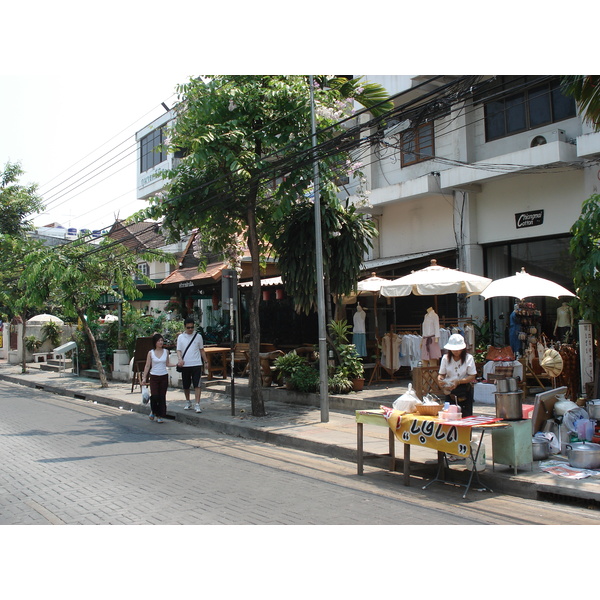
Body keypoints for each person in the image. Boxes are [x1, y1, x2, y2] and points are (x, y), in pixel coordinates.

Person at [437, 333, 477, 418]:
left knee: (465, 416)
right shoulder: (445, 358)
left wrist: (459, 382)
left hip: (464, 390)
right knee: (448, 414)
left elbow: (472, 375)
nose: (456, 351)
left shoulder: (468, 358)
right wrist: (440, 380)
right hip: (450, 390)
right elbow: (441, 374)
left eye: (458, 349)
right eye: (454, 349)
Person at [176, 317, 208, 413]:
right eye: (188, 327)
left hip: (196, 364)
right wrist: (180, 359)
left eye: (192, 327)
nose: (190, 329)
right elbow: (178, 350)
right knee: (186, 385)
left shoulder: (198, 336)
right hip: (185, 364)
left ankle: (197, 403)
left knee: (197, 385)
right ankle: (188, 401)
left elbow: (201, 350)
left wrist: (206, 361)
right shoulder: (181, 337)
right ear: (185, 327)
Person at [142, 333, 170, 424]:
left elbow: (167, 364)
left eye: (162, 340)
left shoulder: (166, 351)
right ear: (155, 342)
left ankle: (159, 415)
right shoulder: (151, 353)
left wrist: (177, 364)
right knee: (155, 396)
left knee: (162, 396)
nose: (161, 342)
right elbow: (147, 366)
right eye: (158, 341)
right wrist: (144, 378)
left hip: (164, 376)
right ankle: (154, 411)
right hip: (154, 376)